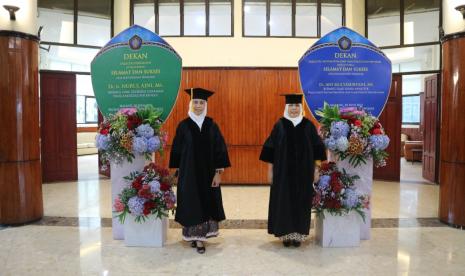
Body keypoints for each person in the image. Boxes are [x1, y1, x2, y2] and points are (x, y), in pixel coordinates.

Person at [259, 93, 327, 247]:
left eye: (297, 106)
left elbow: (318, 149)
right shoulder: (280, 125)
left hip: (304, 174)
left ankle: (298, 236)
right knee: (283, 203)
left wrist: (316, 170)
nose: (294, 109)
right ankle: (285, 235)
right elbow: (270, 149)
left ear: (300, 107)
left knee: (301, 204)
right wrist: (269, 171)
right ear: (286, 107)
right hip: (282, 175)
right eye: (291, 106)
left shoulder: (308, 126)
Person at [169, 87, 231, 254]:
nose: (198, 105)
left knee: (207, 203)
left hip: (208, 174)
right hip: (189, 174)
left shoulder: (211, 125)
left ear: (206, 104)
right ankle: (196, 238)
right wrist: (176, 173)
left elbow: (220, 150)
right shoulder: (184, 126)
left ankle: (200, 237)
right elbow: (176, 150)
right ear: (190, 104)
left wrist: (218, 173)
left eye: (201, 102)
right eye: (195, 102)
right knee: (191, 203)